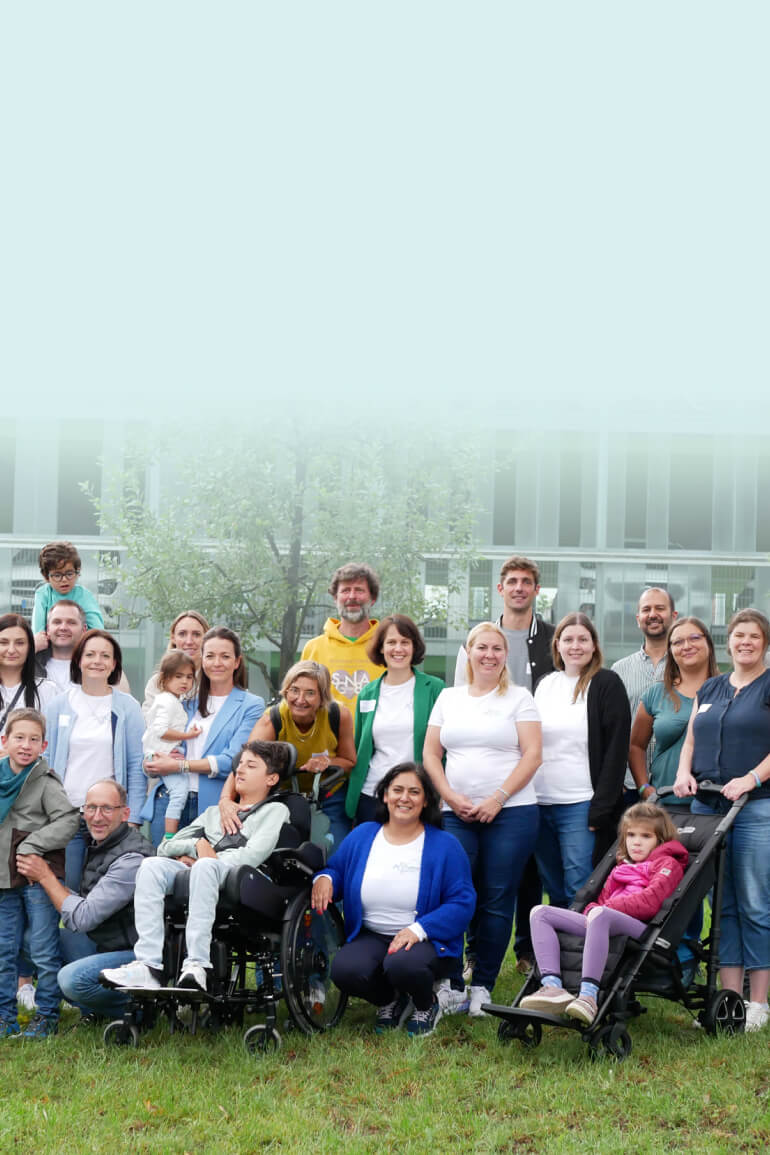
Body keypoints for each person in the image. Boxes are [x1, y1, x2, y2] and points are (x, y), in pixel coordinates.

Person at [100, 741, 291, 994]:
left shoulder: (275, 810)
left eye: (251, 765)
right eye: (240, 764)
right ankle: (148, 965)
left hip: (243, 879)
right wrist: (197, 846)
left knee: (206, 868)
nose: (240, 770)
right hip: (203, 869)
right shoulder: (213, 814)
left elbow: (253, 855)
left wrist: (208, 860)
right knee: (151, 866)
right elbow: (166, 847)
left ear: (272, 778)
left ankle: (197, 964)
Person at [423, 622, 542, 1017]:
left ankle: (483, 986)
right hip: (456, 813)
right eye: (482, 647)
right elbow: (429, 755)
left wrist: (497, 798)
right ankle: (452, 980)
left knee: (496, 897)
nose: (489, 654)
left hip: (512, 812)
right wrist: (449, 796)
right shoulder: (448, 698)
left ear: (505, 655)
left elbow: (532, 755)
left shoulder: (520, 698)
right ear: (468, 653)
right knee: (455, 894)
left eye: (497, 648)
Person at [311, 762, 475, 1037]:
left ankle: (427, 1004)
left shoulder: (445, 845)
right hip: (373, 935)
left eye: (414, 792)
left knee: (402, 965)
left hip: (424, 939)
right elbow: (337, 870)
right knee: (344, 970)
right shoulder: (363, 835)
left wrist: (419, 929)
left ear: (425, 801)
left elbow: (463, 902)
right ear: (384, 795)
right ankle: (390, 1000)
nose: (404, 798)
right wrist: (324, 879)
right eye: (397, 790)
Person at [454, 555, 554, 973]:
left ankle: (527, 950)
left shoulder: (552, 638)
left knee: (526, 868)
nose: (518, 588)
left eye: (526, 582)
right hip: (485, 767)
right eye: (511, 581)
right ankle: (475, 952)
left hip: (534, 768)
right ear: (500, 589)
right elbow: (463, 700)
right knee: (483, 874)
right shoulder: (480, 639)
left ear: (535, 589)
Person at [674, 608, 770, 1032]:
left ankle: (759, 1004)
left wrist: (750, 778)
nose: (745, 642)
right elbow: (693, 736)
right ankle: (728, 999)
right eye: (738, 636)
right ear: (728, 642)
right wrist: (682, 773)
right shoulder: (711, 687)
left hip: (754, 807)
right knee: (721, 906)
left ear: (764, 642)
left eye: (753, 636)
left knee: (754, 903)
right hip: (707, 807)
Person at [520, 803, 687, 1025]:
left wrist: (605, 909)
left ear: (660, 839)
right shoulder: (621, 867)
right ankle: (552, 986)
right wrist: (595, 911)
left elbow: (650, 903)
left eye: (646, 836)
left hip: (642, 928)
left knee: (600, 913)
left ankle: (589, 996)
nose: (636, 842)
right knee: (540, 912)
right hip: (604, 919)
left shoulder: (667, 864)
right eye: (631, 835)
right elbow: (599, 902)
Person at [16, 779, 154, 1025]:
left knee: (71, 980)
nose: (97, 817)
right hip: (104, 943)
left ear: (125, 813)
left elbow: (83, 917)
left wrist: (46, 876)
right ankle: (94, 1006)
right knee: (32, 940)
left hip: (134, 955)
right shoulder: (101, 843)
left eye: (106, 809)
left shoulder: (131, 858)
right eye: (90, 808)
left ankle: (142, 1008)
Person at [533, 613, 631, 907]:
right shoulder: (544, 683)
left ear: (594, 645)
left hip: (581, 803)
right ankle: (557, 952)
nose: (576, 646)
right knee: (553, 886)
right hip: (540, 802)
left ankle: (583, 952)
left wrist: (601, 806)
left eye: (583, 639)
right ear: (557, 645)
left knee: (581, 886)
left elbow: (617, 749)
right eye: (569, 639)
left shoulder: (607, 683)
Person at [140, 627, 264, 846]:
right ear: (202, 660)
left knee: (203, 874)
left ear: (237, 662)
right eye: (210, 656)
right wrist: (152, 762)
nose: (217, 662)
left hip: (213, 805)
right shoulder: (185, 702)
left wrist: (180, 766)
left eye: (225, 656)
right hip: (168, 801)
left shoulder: (251, 705)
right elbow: (158, 741)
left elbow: (232, 761)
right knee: (161, 872)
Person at [44, 629, 146, 888]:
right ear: (78, 660)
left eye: (105, 656)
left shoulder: (128, 707)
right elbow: (44, 760)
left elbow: (136, 766)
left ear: (114, 664)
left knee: (106, 894)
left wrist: (131, 818)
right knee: (69, 890)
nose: (97, 661)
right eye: (90, 654)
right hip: (66, 815)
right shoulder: (58, 705)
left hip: (110, 817)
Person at [0, 709, 79, 1038]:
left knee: (43, 949)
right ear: (4, 741)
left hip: (35, 876)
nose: (25, 745)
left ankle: (46, 1017)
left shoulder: (45, 781)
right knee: (4, 949)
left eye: (34, 739)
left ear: (44, 745)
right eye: (19, 737)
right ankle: (4, 1018)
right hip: (3, 881)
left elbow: (69, 819)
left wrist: (32, 844)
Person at [219, 660, 356, 849]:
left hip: (328, 793)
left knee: (337, 851)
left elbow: (349, 760)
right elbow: (243, 765)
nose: (300, 699)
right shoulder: (272, 719)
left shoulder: (339, 715)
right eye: (294, 690)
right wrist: (225, 800)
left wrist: (327, 761)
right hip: (286, 795)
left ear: (322, 696)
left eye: (310, 693)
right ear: (286, 691)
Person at [348, 615, 444, 826]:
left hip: (419, 795)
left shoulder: (435, 689)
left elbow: (445, 747)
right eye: (391, 642)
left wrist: (442, 792)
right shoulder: (367, 693)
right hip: (373, 793)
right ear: (381, 648)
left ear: (414, 647)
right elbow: (359, 745)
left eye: (405, 642)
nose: (398, 648)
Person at [630, 618, 719, 808]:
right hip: (665, 801)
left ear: (708, 644)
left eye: (694, 638)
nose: (686, 646)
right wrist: (644, 787)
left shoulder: (729, 690)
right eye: (677, 642)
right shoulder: (656, 693)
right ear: (670, 650)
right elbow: (636, 746)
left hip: (715, 803)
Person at [611, 587, 678, 806]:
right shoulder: (619, 670)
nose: (653, 614)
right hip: (629, 786)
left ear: (674, 616)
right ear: (638, 618)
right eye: (646, 609)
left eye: (660, 608)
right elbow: (610, 729)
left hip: (677, 785)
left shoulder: (689, 666)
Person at [301, 563, 384, 715]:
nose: (352, 596)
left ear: (372, 598)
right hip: (327, 738)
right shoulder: (314, 648)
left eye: (359, 590)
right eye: (345, 590)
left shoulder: (386, 648)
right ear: (335, 598)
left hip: (375, 739)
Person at [142, 652, 202, 838]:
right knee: (179, 792)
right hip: (160, 756)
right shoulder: (166, 701)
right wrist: (187, 735)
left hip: (166, 754)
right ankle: (169, 836)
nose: (184, 681)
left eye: (189, 677)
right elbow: (160, 730)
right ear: (165, 679)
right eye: (178, 676)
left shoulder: (176, 700)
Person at [35, 600, 132, 695]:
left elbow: (123, 697)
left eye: (71, 622)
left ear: (84, 629)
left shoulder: (97, 662)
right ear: (48, 629)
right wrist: (32, 648)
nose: (63, 627)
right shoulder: (33, 662)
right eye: (57, 622)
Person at [31, 540, 104, 650]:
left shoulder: (84, 596)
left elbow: (97, 632)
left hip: (79, 649)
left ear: (77, 571)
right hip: (49, 650)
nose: (64, 580)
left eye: (69, 574)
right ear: (46, 576)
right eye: (57, 575)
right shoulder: (43, 594)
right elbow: (39, 633)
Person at [0, 614, 59, 737]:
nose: (11, 650)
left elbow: (52, 740)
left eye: (20, 643)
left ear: (30, 647)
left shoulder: (47, 690)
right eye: (3, 642)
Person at [142, 611, 210, 715]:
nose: (189, 641)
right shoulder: (157, 682)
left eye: (196, 634)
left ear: (206, 639)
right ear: (173, 638)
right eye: (182, 634)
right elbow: (150, 724)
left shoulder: (214, 679)